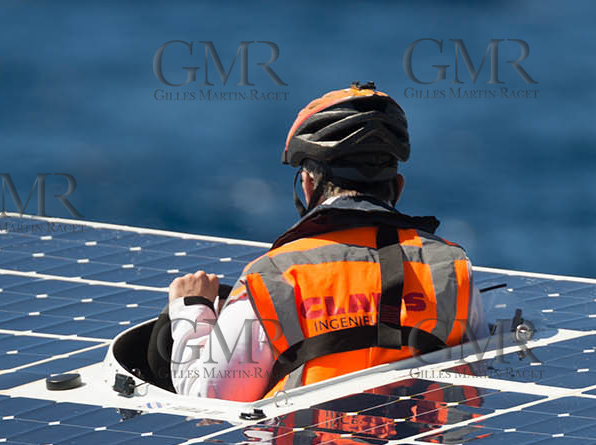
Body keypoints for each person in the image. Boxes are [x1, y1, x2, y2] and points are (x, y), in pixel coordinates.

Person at [165, 82, 489, 402]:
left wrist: (191, 310)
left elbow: (210, 397)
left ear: (307, 185)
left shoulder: (273, 279)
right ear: (398, 187)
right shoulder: (451, 269)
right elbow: (479, 382)